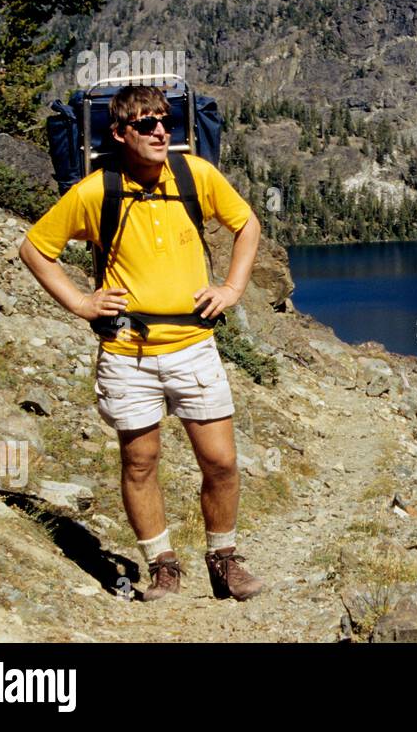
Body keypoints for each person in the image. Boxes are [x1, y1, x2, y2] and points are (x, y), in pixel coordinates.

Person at [19, 84, 265, 602]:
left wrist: (232, 289)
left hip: (193, 346)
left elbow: (247, 225)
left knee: (220, 461)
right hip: (127, 352)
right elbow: (36, 249)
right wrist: (81, 303)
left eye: (166, 122)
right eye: (147, 124)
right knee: (139, 462)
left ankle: (224, 561)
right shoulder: (97, 191)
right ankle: (163, 567)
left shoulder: (195, 176)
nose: (160, 131)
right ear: (119, 133)